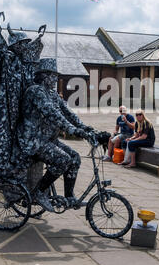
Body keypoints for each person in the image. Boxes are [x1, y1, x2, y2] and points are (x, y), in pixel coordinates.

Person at [16, 58, 98, 212]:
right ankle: (39, 193)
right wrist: (72, 130)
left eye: (56, 76)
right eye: (53, 76)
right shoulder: (35, 91)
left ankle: (69, 196)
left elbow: (67, 113)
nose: (56, 79)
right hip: (33, 140)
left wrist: (85, 127)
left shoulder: (52, 94)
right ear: (44, 76)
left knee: (74, 158)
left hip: (47, 139)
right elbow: (52, 114)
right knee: (62, 160)